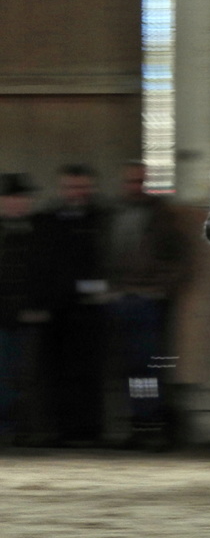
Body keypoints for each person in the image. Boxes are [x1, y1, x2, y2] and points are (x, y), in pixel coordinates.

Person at [105, 160, 185, 448]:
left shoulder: (162, 215)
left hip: (148, 302)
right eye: (130, 181)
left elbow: (178, 257)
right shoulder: (116, 214)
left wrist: (160, 289)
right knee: (132, 368)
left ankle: (152, 425)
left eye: (139, 181)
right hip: (122, 300)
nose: (134, 186)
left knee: (149, 367)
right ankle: (141, 425)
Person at [39, 164, 110, 445]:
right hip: (58, 310)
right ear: (62, 189)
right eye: (71, 187)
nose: (77, 193)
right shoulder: (49, 221)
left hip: (92, 310)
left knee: (89, 373)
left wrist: (94, 289)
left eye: (82, 187)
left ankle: (89, 431)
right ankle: (62, 431)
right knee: (58, 373)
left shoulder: (100, 220)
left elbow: (106, 262)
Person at [0, 174, 50, 444]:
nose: (19, 203)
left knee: (28, 377)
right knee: (6, 376)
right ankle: (8, 428)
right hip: (6, 318)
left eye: (23, 198)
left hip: (30, 317)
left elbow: (46, 275)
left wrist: (40, 307)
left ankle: (25, 428)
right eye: (14, 198)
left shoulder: (39, 233)